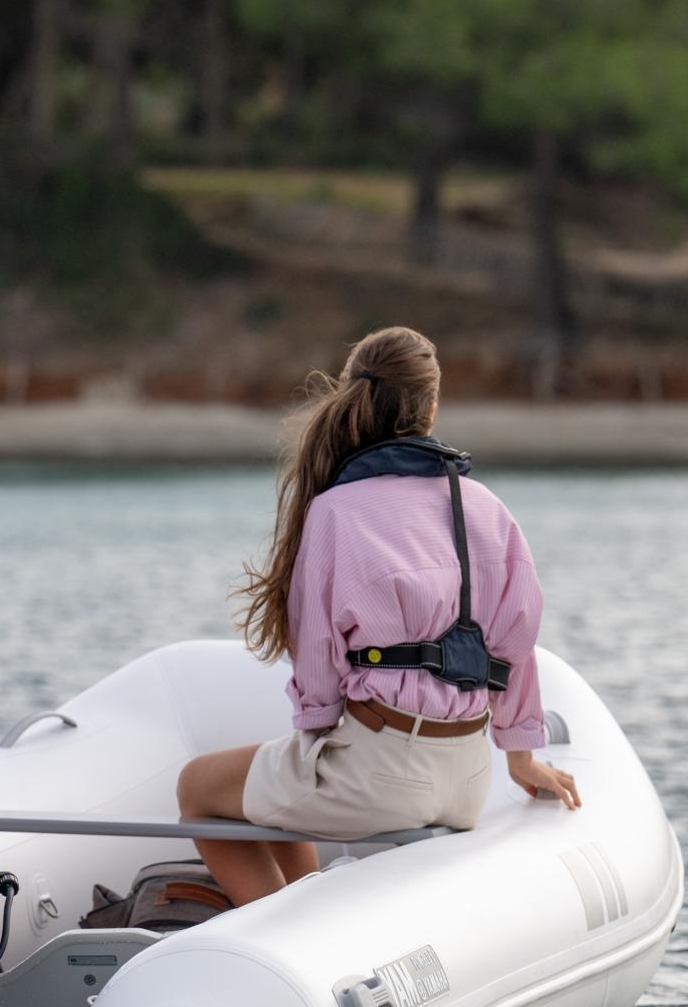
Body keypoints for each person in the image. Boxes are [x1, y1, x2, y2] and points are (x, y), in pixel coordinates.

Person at [176, 326, 581, 906]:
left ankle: (276, 927)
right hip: (469, 777)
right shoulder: (489, 508)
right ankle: (306, 902)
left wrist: (319, 730)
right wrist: (521, 755)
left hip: (382, 773)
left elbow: (316, 660)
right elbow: (517, 644)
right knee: (281, 774)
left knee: (198, 786)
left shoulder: (333, 511)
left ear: (353, 400)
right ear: (433, 407)